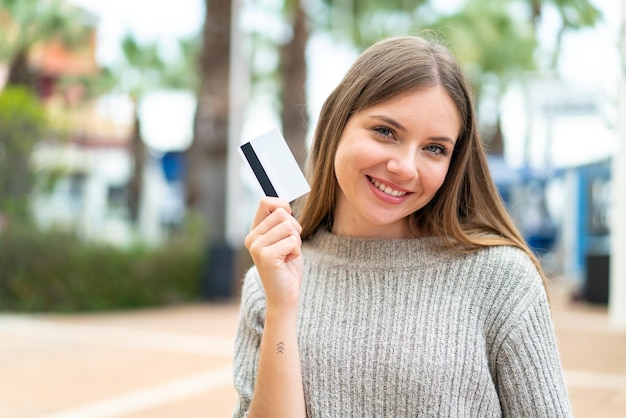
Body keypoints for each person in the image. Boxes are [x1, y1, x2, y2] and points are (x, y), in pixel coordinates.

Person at [232, 35, 572, 417]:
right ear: (337, 125)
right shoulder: (270, 281)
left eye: (435, 148)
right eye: (386, 132)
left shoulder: (501, 281)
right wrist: (282, 306)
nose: (405, 168)